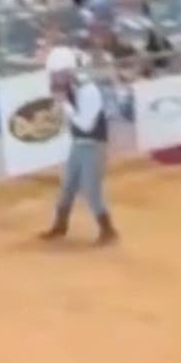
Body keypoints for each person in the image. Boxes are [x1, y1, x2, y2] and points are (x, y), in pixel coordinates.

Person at [39, 46, 119, 245]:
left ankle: (108, 230)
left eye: (57, 75)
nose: (54, 80)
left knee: (90, 189)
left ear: (68, 72)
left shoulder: (88, 91)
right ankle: (60, 225)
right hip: (79, 143)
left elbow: (86, 123)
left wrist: (64, 104)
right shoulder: (72, 90)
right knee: (67, 186)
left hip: (93, 144)